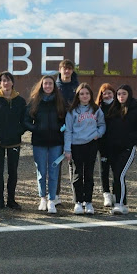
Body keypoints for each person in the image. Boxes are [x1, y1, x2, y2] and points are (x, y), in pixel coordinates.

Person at [24, 74, 66, 213]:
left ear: (54, 86)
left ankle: (52, 199)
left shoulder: (60, 102)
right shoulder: (35, 101)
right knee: (41, 172)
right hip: (39, 142)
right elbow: (26, 120)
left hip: (56, 143)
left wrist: (61, 129)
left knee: (54, 172)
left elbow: (67, 119)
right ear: (41, 85)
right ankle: (42, 197)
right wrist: (36, 128)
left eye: (50, 84)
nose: (48, 86)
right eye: (45, 83)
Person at [103, 84, 137, 215]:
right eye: (119, 94)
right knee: (116, 175)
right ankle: (123, 202)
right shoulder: (113, 110)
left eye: (124, 94)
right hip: (113, 149)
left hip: (128, 148)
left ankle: (119, 204)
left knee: (120, 175)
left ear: (129, 95)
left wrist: (129, 137)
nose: (121, 96)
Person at [0, 71, 26, 210]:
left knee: (13, 171)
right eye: (3, 80)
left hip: (14, 141)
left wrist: (18, 132)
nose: (6, 83)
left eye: (8, 80)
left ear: (12, 82)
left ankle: (11, 200)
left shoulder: (20, 101)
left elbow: (25, 121)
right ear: (0, 83)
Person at [64, 84, 105, 215]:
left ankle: (88, 202)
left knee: (89, 174)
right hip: (76, 146)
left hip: (91, 145)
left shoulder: (96, 109)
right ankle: (78, 202)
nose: (84, 96)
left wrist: (98, 134)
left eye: (87, 93)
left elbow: (102, 124)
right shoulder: (72, 111)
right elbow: (68, 130)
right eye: (81, 94)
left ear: (91, 95)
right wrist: (67, 149)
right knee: (77, 174)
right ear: (78, 96)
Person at [54, 59, 79, 202]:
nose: (67, 71)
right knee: (57, 162)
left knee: (73, 163)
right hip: (58, 130)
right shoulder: (55, 87)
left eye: (69, 68)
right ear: (60, 70)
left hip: (75, 130)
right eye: (65, 68)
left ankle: (75, 195)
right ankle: (55, 195)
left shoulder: (78, 86)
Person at [97, 83, 117, 209]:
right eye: (105, 93)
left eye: (110, 92)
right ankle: (106, 194)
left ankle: (116, 194)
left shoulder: (119, 107)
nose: (107, 95)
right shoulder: (97, 108)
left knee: (116, 170)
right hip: (102, 144)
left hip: (116, 144)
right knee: (104, 170)